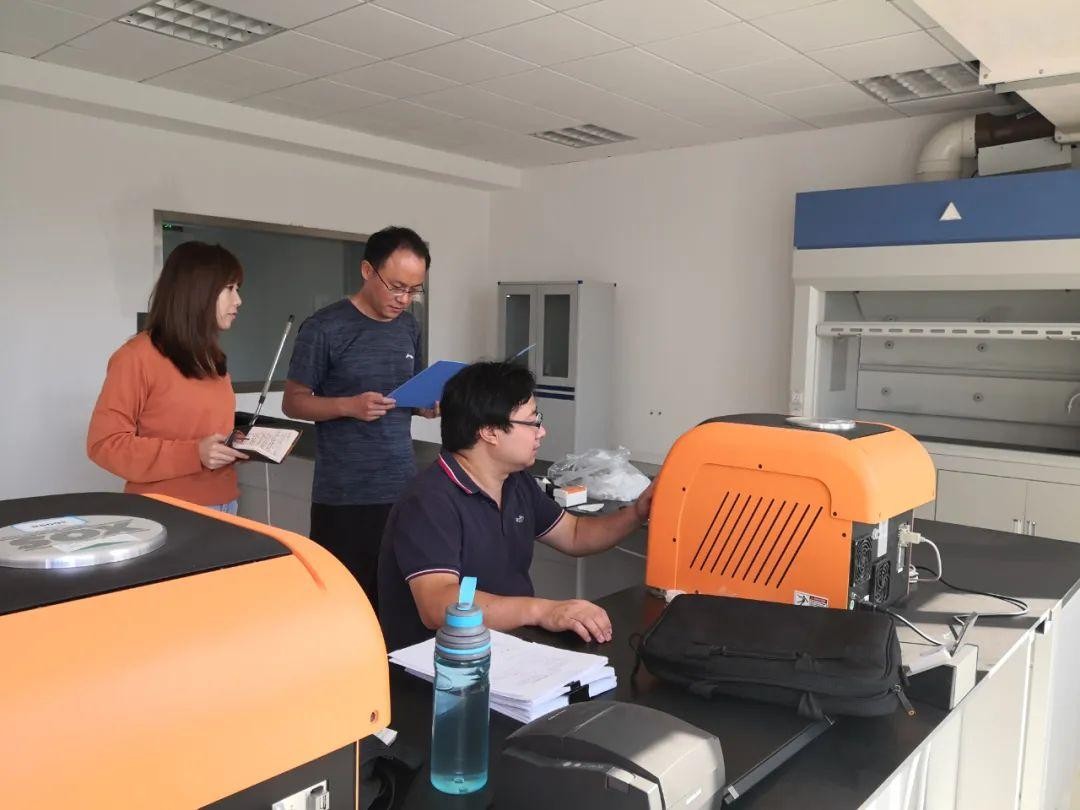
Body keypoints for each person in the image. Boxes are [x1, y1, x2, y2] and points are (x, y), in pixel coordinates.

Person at [378, 361, 654, 651]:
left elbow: (574, 534)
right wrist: (543, 610)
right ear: (490, 431)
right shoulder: (430, 499)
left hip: (509, 649)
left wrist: (638, 512)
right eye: (532, 421)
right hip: (445, 664)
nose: (541, 431)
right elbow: (437, 604)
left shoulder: (515, 481)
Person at [283, 226, 436, 605]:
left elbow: (409, 391)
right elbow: (293, 402)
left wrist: (426, 404)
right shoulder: (324, 327)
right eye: (396, 287)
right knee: (345, 603)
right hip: (345, 496)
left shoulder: (409, 327)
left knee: (398, 602)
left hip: (401, 488)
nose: (404, 299)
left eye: (414, 290)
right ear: (368, 270)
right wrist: (348, 406)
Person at [87, 241, 248, 513]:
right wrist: (194, 454)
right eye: (229, 288)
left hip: (225, 504)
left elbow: (200, 431)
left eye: (238, 289)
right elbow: (105, 443)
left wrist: (231, 445)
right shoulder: (137, 356)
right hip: (165, 511)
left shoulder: (211, 357)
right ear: (197, 291)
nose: (238, 300)